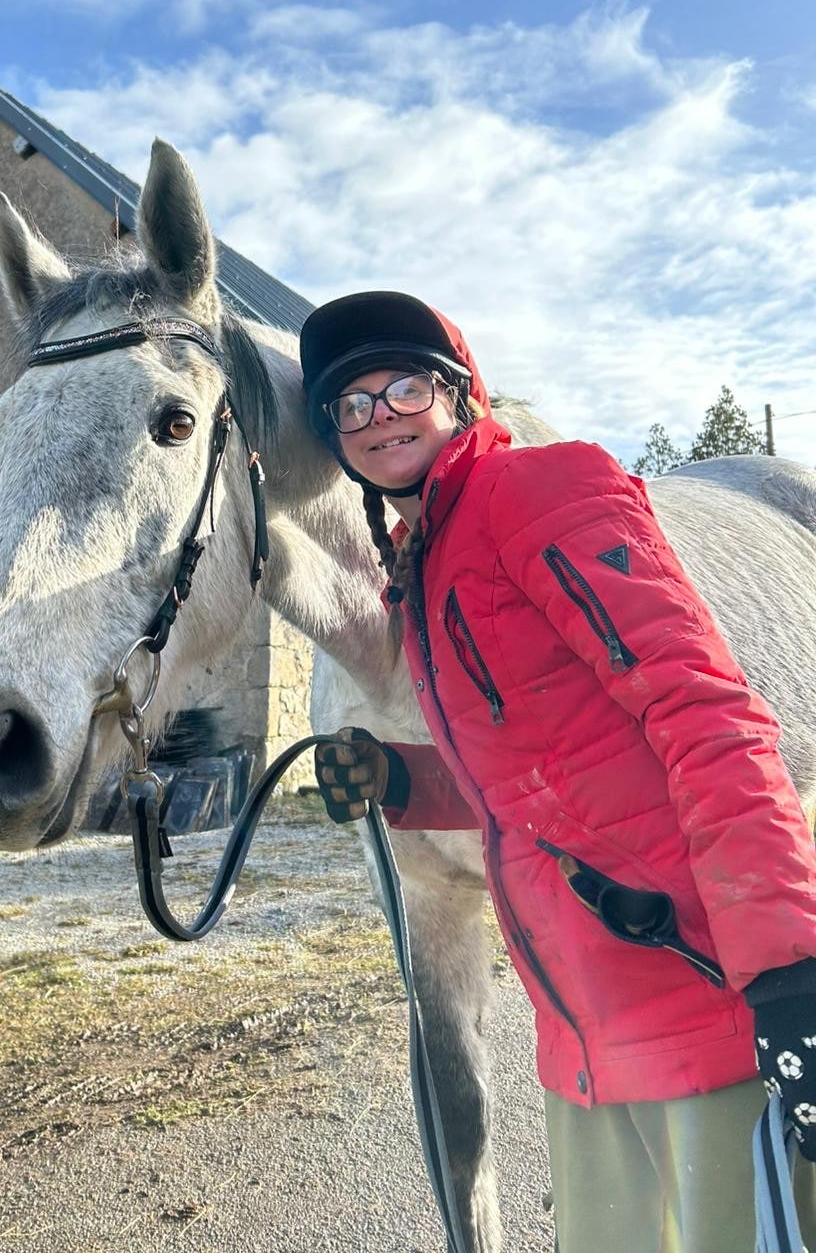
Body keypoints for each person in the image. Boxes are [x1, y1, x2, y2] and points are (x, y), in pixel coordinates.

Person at [301, 289, 816, 1253]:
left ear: (458, 396)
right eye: (351, 404)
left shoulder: (542, 489)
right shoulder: (421, 566)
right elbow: (541, 783)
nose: (378, 417)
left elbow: (704, 712)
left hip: (700, 1005)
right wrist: (402, 783)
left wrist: (789, 973)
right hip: (584, 1040)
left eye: (402, 386)